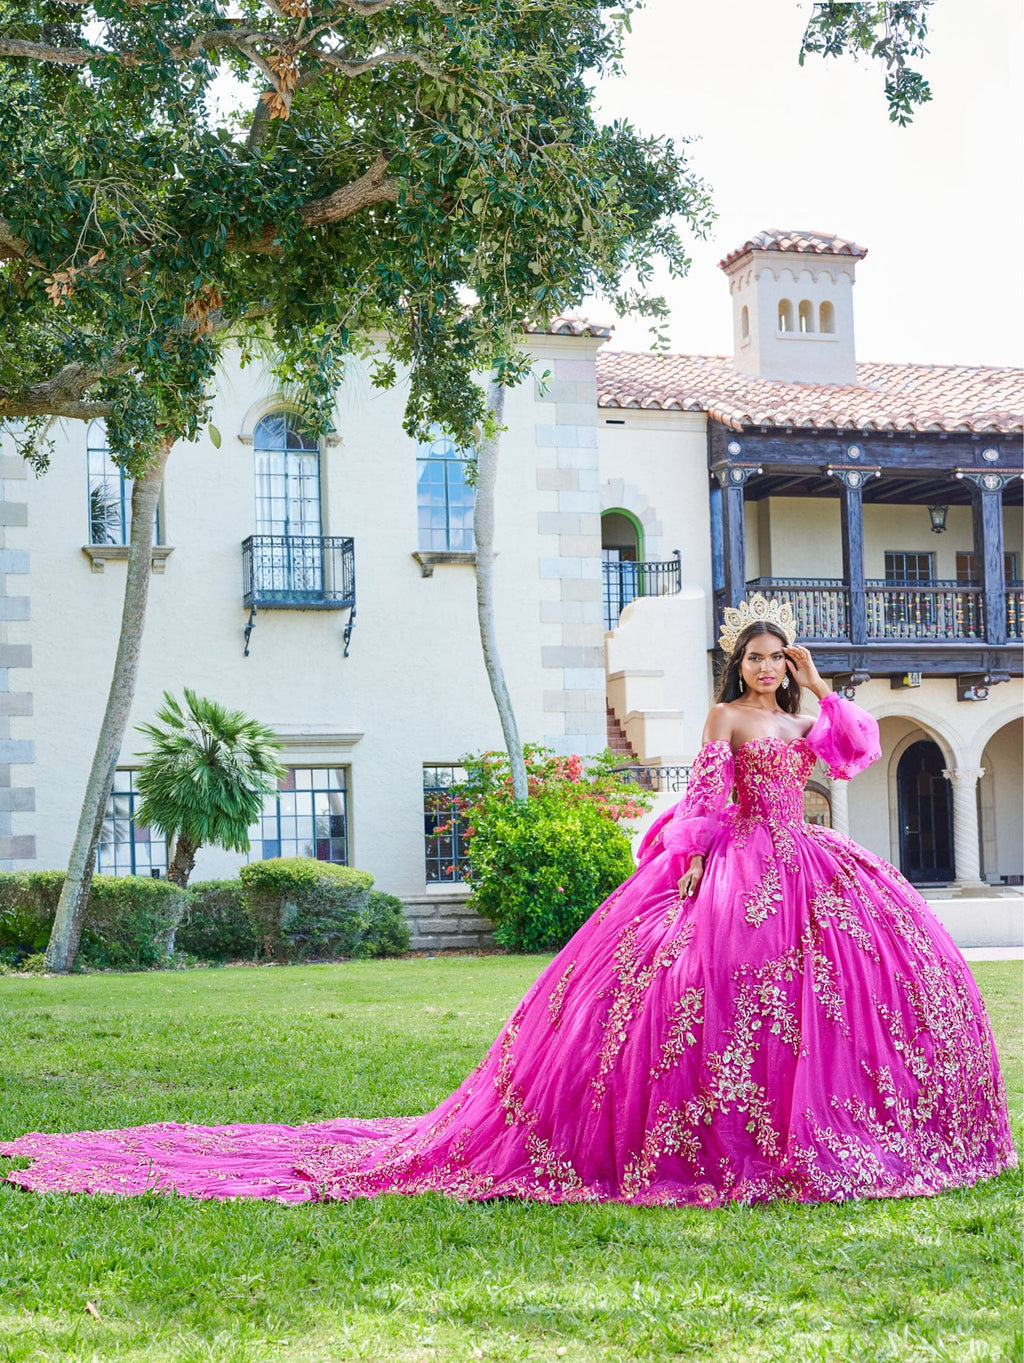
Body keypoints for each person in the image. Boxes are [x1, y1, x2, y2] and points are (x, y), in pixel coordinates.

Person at [2, 599, 1016, 1205]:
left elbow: (851, 752)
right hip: (740, 866)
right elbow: (707, 804)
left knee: (848, 993)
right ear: (732, 664)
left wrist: (819, 680)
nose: (762, 666)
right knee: (705, 992)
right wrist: (690, 871)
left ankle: (826, 1125)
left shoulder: (799, 716)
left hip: (809, 863)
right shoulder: (723, 718)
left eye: (773, 655)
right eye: (752, 655)